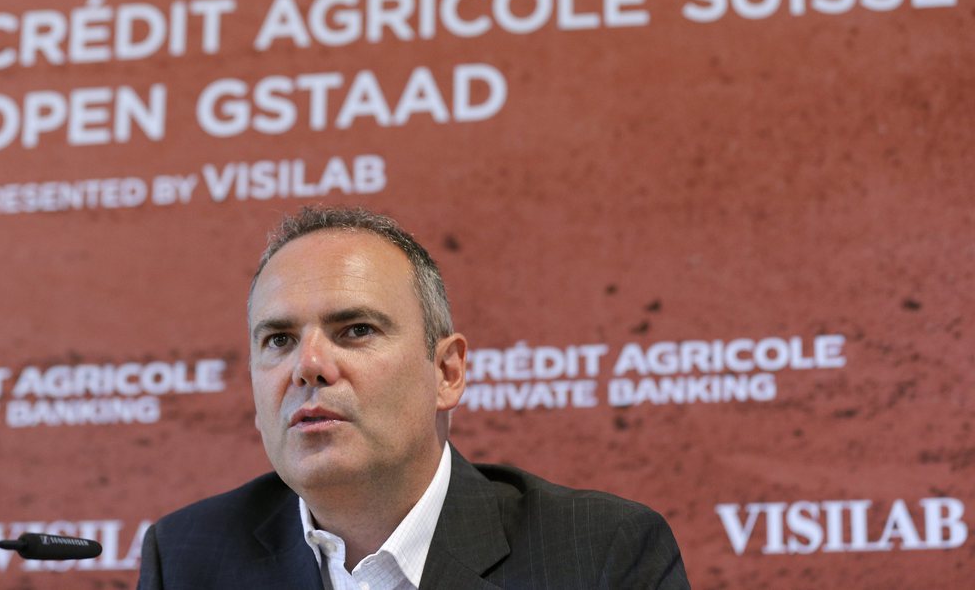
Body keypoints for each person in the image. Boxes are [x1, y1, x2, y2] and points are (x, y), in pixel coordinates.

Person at [137, 206, 690, 589]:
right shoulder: (187, 556)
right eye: (278, 340)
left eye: (355, 330)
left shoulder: (597, 553)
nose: (308, 366)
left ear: (446, 372)